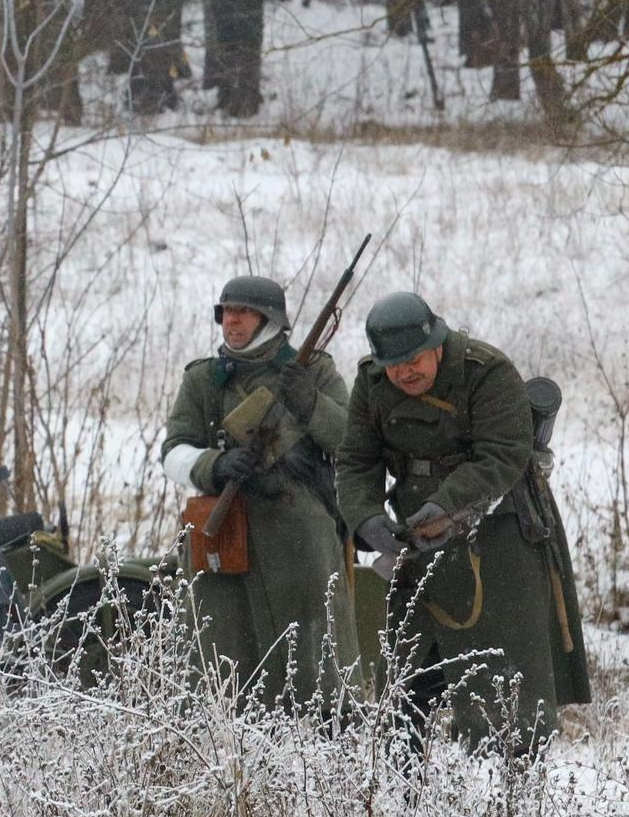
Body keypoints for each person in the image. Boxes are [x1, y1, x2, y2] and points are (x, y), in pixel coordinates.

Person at [336, 292, 591, 751]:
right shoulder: (371, 383)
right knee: (406, 679)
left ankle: (508, 797)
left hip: (501, 528)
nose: (404, 372)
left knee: (506, 679)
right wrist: (367, 518)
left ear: (436, 344)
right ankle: (403, 794)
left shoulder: (486, 371)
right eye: (393, 364)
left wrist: (448, 505)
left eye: (413, 360)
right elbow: (356, 461)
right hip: (413, 533)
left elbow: (504, 454)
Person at [159, 274, 359, 709]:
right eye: (226, 311)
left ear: (269, 319)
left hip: (300, 535)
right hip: (226, 534)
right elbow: (173, 451)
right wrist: (214, 465)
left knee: (314, 663)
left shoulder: (315, 370)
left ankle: (322, 741)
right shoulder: (203, 380)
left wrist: (309, 403)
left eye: (243, 312)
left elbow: (350, 442)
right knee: (224, 661)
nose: (232, 320)